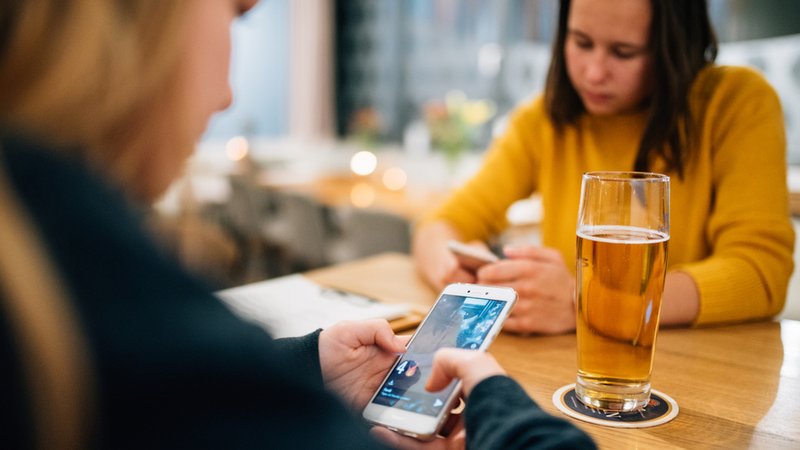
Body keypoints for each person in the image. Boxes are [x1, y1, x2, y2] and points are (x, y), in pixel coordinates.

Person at [0, 1, 596, 449]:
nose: (228, 95)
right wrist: (497, 400)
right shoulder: (103, 300)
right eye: (237, 15)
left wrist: (310, 368)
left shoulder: (45, 256)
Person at [413, 0, 796, 335]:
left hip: (708, 376)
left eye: (624, 52)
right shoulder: (544, 119)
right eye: (581, 42)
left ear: (673, 47)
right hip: (575, 371)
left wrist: (588, 303)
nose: (594, 73)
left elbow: (760, 273)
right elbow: (441, 223)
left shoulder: (736, 102)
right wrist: (457, 274)